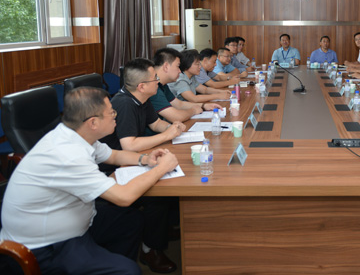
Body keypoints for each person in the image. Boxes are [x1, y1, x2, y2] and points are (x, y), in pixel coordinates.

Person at [0, 87, 179, 275]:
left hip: (76, 220)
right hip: (46, 247)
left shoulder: (75, 134)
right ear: (93, 122)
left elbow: (114, 155)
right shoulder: (68, 155)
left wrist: (146, 159)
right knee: (128, 270)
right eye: (111, 113)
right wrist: (161, 168)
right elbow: (123, 197)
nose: (115, 116)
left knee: (130, 221)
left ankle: (107, 263)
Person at [100, 58, 185, 273]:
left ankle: (162, 230)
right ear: (141, 86)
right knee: (157, 196)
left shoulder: (143, 99)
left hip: (130, 159)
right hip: (113, 168)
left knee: (171, 178)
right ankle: (150, 250)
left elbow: (155, 124)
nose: (158, 81)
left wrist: (174, 128)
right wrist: (166, 135)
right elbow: (129, 145)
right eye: (154, 78)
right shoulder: (124, 103)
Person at [150, 48, 220, 124]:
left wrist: (204, 106)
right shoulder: (153, 88)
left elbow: (179, 104)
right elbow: (176, 117)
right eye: (178, 66)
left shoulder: (162, 85)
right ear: (166, 67)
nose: (180, 71)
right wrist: (193, 110)